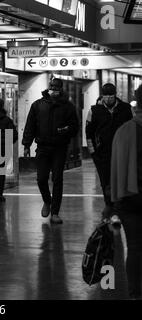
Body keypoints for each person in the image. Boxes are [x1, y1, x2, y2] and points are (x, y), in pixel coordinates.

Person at [22, 78, 79, 224]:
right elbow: (30, 126)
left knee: (57, 179)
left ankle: (55, 213)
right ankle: (47, 201)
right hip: (42, 147)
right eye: (52, 87)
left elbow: (75, 127)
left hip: (60, 148)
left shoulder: (68, 107)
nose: (54, 89)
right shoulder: (38, 105)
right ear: (49, 88)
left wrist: (66, 130)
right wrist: (26, 145)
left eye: (57, 87)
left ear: (61, 89)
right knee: (41, 179)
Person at [111, 84, 142, 300]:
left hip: (130, 201)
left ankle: (134, 293)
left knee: (135, 248)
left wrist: (115, 201)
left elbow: (115, 169)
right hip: (132, 201)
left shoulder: (123, 131)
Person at [86, 83, 133, 223]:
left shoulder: (126, 109)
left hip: (122, 153)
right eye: (105, 96)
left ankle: (118, 208)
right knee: (105, 182)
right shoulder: (94, 110)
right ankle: (110, 207)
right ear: (102, 96)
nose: (108, 99)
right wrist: (93, 153)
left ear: (115, 95)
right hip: (102, 154)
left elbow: (132, 129)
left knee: (120, 181)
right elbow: (89, 133)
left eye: (111, 96)